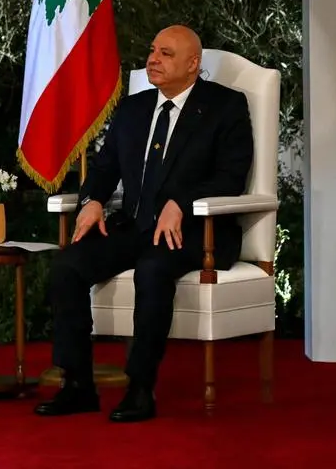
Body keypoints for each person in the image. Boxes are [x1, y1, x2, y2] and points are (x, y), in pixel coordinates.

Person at [34, 25, 253, 422]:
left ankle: (139, 387)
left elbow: (231, 176)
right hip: (134, 225)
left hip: (193, 233)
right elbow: (103, 169)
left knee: (153, 270)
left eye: (166, 54)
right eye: (152, 51)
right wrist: (93, 200)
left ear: (193, 64)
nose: (153, 59)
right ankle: (78, 385)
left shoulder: (225, 107)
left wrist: (180, 203)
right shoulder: (133, 109)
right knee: (67, 266)